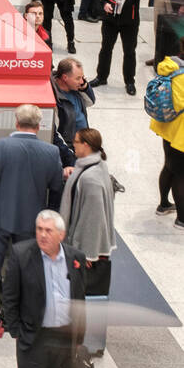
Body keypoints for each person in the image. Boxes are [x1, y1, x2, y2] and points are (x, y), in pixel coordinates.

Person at [0, 210, 86, 368]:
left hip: (63, 336)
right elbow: (10, 295)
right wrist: (16, 330)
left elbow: (80, 299)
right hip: (33, 336)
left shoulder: (76, 259)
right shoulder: (21, 255)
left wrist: (78, 336)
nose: (42, 235)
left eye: (48, 231)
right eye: (39, 229)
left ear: (61, 235)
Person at [0, 105, 66, 328]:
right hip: (31, 223)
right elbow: (56, 185)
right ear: (39, 125)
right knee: (27, 269)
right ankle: (25, 315)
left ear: (16, 122)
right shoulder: (51, 152)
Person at [58, 127, 115, 356]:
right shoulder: (96, 166)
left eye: (77, 142)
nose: (73, 145)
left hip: (86, 253)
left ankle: (80, 341)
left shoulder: (90, 179)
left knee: (81, 299)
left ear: (87, 146)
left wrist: (86, 256)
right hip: (89, 249)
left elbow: (92, 221)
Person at [92, 0, 150, 96]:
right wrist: (104, 3)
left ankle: (130, 81)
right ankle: (101, 76)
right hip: (110, 19)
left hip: (129, 21)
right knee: (105, 49)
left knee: (129, 52)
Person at [150, 56, 184, 228]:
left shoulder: (172, 66)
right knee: (181, 174)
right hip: (181, 132)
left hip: (167, 125)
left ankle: (163, 204)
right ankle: (182, 219)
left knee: (170, 166)